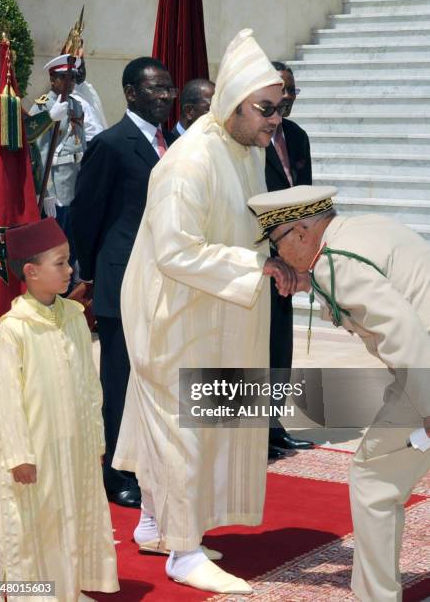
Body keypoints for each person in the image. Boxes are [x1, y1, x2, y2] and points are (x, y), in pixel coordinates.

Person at [112, 29, 300, 594]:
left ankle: (152, 524)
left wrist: (283, 253)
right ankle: (184, 553)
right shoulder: (189, 161)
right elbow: (175, 251)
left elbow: (243, 228)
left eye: (280, 108)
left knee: (189, 421)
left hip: (215, 309)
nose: (274, 120)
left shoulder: (243, 150)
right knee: (182, 428)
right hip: (175, 316)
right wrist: (255, 268)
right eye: (265, 109)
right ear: (233, 103)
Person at [248, 184, 430, 602]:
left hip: (424, 365)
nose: (276, 257)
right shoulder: (355, 231)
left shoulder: (335, 263)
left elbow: (402, 332)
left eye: (275, 245)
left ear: (299, 232)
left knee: (374, 480)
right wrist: (309, 281)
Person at [0, 218, 119, 601]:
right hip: (35, 453)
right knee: (34, 525)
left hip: (74, 445)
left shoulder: (75, 318)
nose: (70, 269)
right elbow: (6, 404)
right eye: (60, 263)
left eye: (68, 261)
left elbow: (90, 388)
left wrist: (95, 440)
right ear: (31, 271)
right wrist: (18, 456)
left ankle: (67, 591)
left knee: (69, 518)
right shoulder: (13, 331)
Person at [71, 57, 176, 508]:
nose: (166, 96)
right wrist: (94, 274)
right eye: (156, 88)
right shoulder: (112, 144)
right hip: (121, 283)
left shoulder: (172, 143)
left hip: (166, 285)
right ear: (131, 92)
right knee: (120, 381)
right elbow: (85, 215)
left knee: (156, 380)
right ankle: (117, 473)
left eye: (169, 88)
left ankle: (152, 460)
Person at [265, 61, 314, 457]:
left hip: (290, 257)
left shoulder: (297, 136)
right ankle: (249, 434)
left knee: (280, 345)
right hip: (257, 257)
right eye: (284, 90)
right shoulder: (250, 139)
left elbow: (307, 198)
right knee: (252, 347)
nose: (290, 98)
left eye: (294, 91)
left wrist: (305, 249)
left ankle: (274, 426)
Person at [29, 54, 86, 277]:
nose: (70, 82)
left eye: (73, 78)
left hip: (75, 182)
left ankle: (68, 286)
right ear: (53, 80)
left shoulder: (76, 106)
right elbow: (39, 152)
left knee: (72, 243)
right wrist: (46, 193)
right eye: (65, 78)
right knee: (55, 245)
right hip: (56, 185)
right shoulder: (43, 107)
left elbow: (82, 146)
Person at [72, 57, 108, 146]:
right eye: (78, 68)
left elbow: (100, 117)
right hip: (84, 144)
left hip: (100, 140)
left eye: (83, 67)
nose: (81, 72)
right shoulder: (66, 94)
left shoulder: (89, 88)